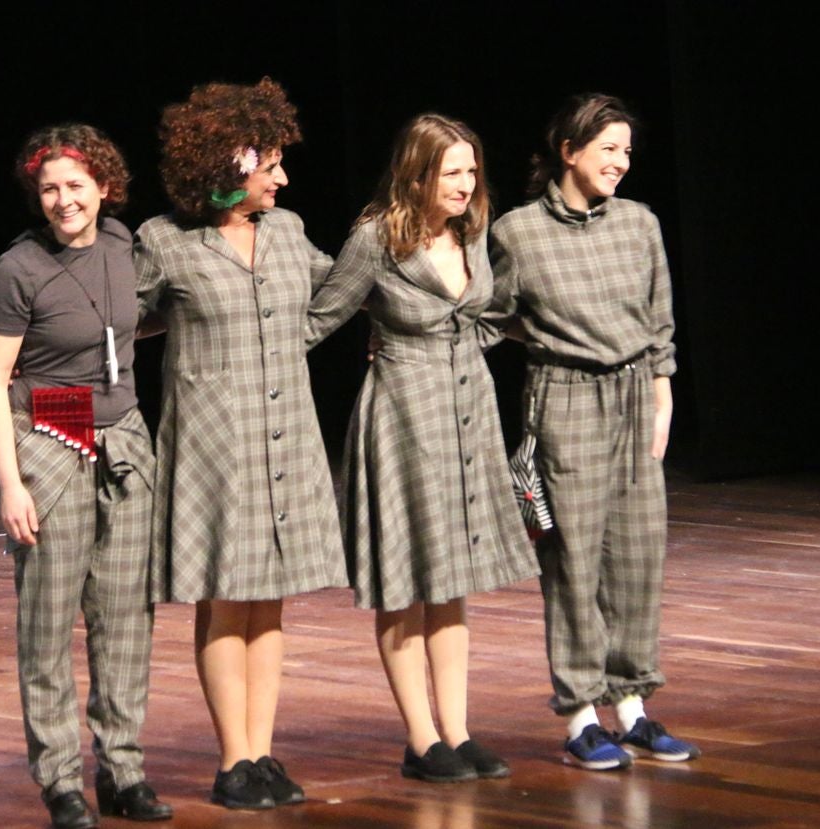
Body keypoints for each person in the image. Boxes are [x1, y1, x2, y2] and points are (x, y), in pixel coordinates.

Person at [132, 78, 347, 810]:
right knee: (227, 600)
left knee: (270, 602)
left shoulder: (288, 232)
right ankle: (233, 758)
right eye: (272, 164)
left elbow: (338, 292)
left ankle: (263, 751)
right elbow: (123, 323)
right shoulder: (165, 243)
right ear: (232, 162)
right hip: (214, 447)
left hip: (285, 437)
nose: (282, 178)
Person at [306, 114, 539, 782]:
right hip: (404, 421)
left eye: (472, 170)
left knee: (451, 580)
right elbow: (321, 318)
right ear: (418, 174)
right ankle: (420, 736)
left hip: (467, 420)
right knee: (404, 581)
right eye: (452, 171)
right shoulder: (375, 239)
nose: (466, 184)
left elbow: (485, 317)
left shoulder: (472, 232)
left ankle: (458, 732)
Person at [489, 93, 701, 771]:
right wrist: (548, 338)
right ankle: (582, 713)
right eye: (608, 148)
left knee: (638, 551)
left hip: (637, 394)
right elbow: (490, 314)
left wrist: (662, 391)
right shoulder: (518, 232)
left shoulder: (639, 223)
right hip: (565, 398)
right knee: (574, 557)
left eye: (628, 151)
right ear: (569, 150)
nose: (621, 162)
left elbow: (659, 315)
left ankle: (632, 707)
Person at [0, 124, 172, 827]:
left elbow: (127, 326)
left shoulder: (126, 245)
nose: (63, 199)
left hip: (123, 436)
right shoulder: (18, 268)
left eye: (75, 186)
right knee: (49, 621)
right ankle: (60, 780)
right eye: (49, 188)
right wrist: (11, 483)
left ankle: (124, 770)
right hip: (52, 432)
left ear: (104, 188)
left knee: (124, 618)